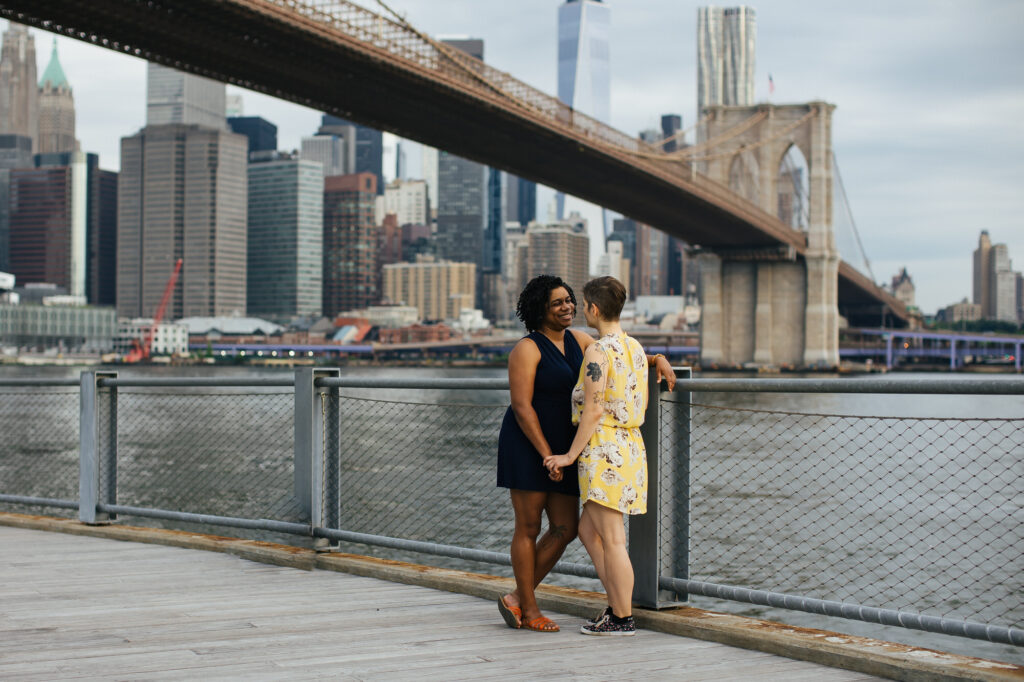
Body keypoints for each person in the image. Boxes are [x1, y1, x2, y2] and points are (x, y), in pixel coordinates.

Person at [497, 275, 675, 633]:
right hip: (530, 446)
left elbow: (614, 353)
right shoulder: (526, 349)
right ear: (539, 310)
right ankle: (529, 609)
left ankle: (516, 596)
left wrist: (656, 358)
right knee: (528, 527)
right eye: (557, 303)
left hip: (571, 448)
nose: (567, 307)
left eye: (569, 301)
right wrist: (549, 455)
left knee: (566, 529)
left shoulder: (581, 341)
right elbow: (522, 407)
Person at [544, 276, 651, 636]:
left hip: (604, 451)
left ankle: (623, 617)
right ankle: (615, 605)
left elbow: (592, 409)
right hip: (631, 446)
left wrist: (568, 456)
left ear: (593, 308)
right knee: (589, 532)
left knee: (614, 539)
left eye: (584, 304)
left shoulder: (597, 352)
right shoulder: (635, 347)